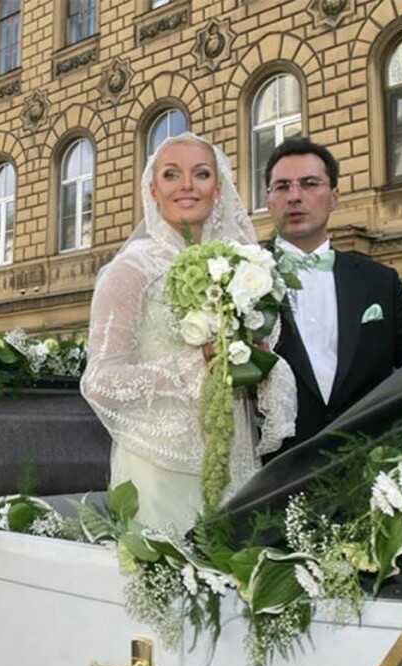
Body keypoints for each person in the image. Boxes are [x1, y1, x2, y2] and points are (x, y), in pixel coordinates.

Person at [81, 133, 296, 532]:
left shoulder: (243, 267)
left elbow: (256, 364)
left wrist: (256, 359)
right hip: (158, 463)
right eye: (171, 174)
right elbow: (99, 381)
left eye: (200, 174)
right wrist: (191, 366)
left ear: (218, 189)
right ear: (153, 190)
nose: (186, 185)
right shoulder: (131, 270)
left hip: (235, 456)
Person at [264, 137, 402, 457]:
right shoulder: (239, 278)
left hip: (365, 469)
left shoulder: (379, 282)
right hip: (271, 477)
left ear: (334, 198)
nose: (295, 196)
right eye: (282, 186)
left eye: (309, 183)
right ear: (269, 201)